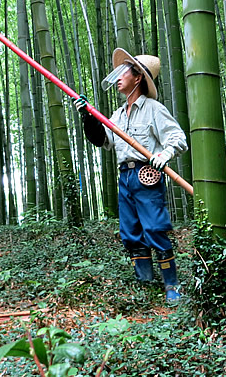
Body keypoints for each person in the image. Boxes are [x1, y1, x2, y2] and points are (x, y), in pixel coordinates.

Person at [74, 48, 188, 301]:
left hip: (147, 176)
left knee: (154, 229)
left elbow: (178, 138)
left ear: (137, 78)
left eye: (123, 72)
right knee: (130, 232)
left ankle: (171, 286)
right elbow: (103, 139)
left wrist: (163, 154)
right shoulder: (116, 114)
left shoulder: (153, 109)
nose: (117, 77)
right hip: (124, 177)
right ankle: (145, 284)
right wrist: (87, 117)